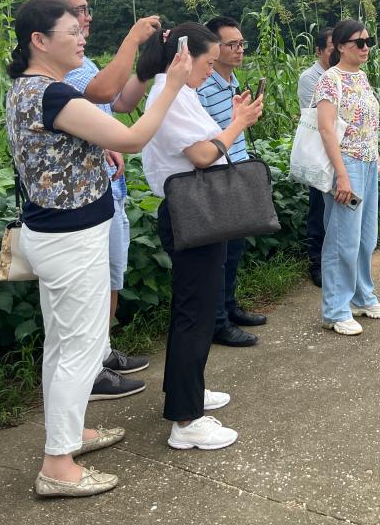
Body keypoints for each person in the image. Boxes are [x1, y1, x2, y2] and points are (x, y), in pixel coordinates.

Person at [6, 0, 190, 497]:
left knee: (62, 345)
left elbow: (65, 143)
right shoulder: (52, 94)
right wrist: (172, 85)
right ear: (39, 41)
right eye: (72, 30)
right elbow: (134, 137)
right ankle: (57, 465)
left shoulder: (29, 89)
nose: (82, 36)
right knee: (80, 348)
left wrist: (96, 142)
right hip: (72, 238)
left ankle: (71, 435)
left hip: (51, 232)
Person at [138, 22, 263, 451]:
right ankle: (186, 420)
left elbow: (207, 139)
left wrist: (231, 120)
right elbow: (204, 153)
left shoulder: (180, 92)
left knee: (196, 309)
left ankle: (186, 390)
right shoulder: (170, 95)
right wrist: (238, 124)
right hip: (191, 211)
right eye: (208, 62)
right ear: (185, 56)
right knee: (195, 313)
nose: (212, 71)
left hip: (196, 208)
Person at [36, 0, 158, 402]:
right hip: (82, 201)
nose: (86, 19)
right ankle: (89, 372)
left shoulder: (79, 60)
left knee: (110, 276)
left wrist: (148, 69)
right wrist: (133, 40)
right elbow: (104, 95)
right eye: (78, 12)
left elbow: (119, 103)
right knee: (90, 289)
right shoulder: (56, 74)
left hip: (107, 188)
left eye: (87, 10)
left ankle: (100, 354)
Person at [314, 19, 380, 334]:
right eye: (359, 43)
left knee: (365, 237)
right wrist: (342, 175)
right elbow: (325, 129)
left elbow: (368, 123)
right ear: (341, 46)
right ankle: (335, 310)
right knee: (342, 239)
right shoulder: (330, 80)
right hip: (345, 164)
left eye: (368, 42)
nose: (366, 47)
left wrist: (376, 155)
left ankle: (362, 297)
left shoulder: (360, 76)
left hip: (367, 163)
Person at [197, 16, 268, 347]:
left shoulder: (231, 81)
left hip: (237, 170)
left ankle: (229, 307)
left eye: (242, 43)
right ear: (213, 47)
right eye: (232, 44)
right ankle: (217, 323)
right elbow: (205, 139)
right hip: (217, 175)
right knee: (220, 255)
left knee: (234, 249)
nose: (240, 50)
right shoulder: (202, 88)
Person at [297, 26, 334, 287]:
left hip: (344, 151)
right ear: (319, 50)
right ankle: (317, 263)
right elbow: (323, 116)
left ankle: (336, 260)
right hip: (321, 152)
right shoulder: (310, 78)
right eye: (332, 49)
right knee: (319, 209)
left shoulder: (346, 74)